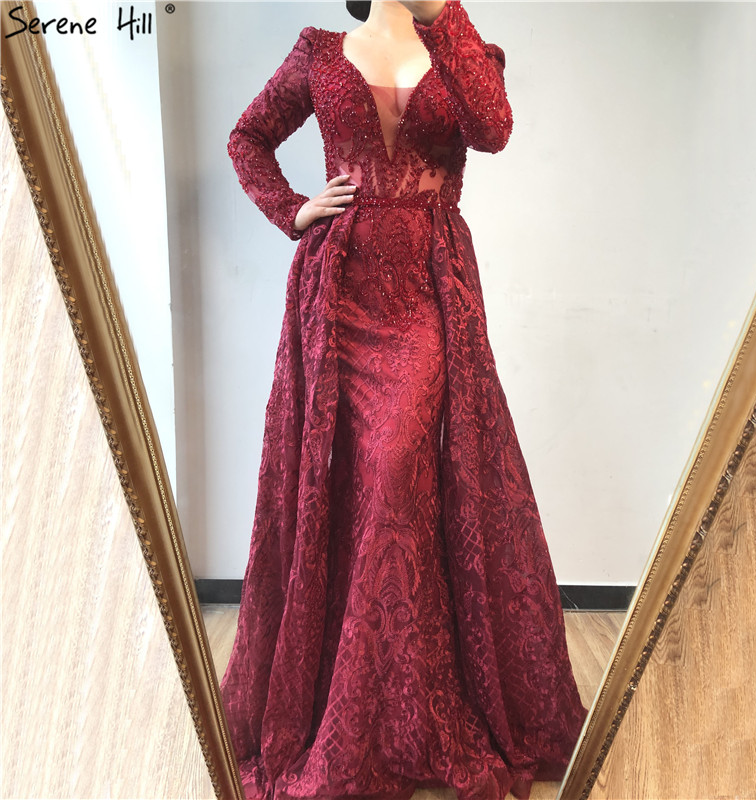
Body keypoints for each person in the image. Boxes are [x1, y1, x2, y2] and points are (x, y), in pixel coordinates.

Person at [219, 2, 588, 798]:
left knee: (396, 473)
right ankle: (359, 711)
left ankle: (411, 712)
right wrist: (293, 209)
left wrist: (442, 13)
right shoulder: (318, 51)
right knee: (357, 487)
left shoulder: (468, 47)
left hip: (428, 289)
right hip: (339, 289)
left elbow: (492, 130)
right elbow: (247, 137)